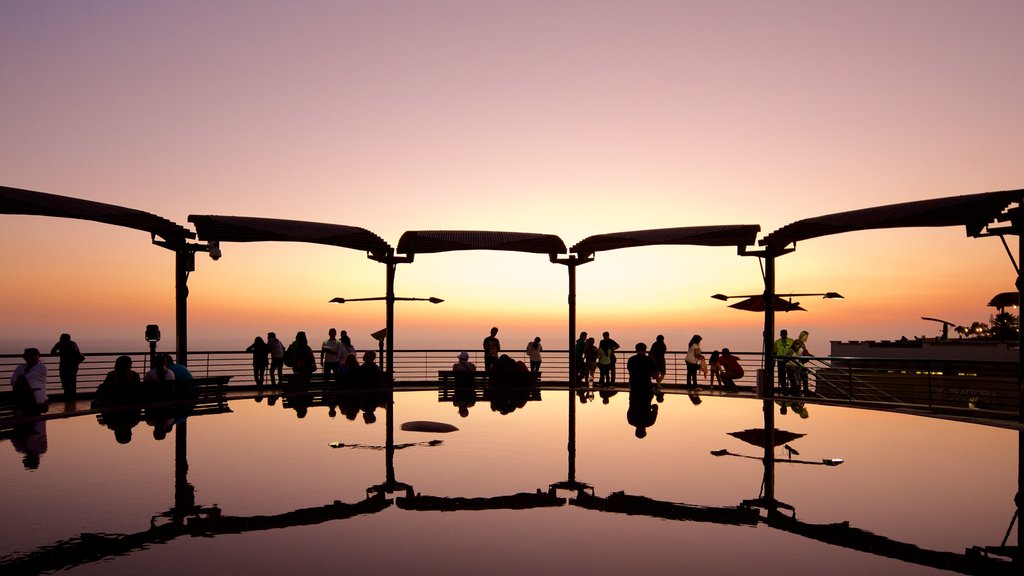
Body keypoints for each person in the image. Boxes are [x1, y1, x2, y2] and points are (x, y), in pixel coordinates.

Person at [10, 348, 48, 416]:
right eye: (30, 356)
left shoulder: (42, 367)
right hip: (23, 397)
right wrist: (22, 380)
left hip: (37, 400)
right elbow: (13, 380)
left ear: (38, 356)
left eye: (35, 356)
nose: (33, 358)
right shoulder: (20, 368)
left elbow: (27, 378)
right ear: (25, 358)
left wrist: (21, 379)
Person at [50, 333, 85, 398]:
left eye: (61, 337)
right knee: (71, 382)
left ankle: (68, 396)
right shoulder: (73, 344)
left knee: (65, 382)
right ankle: (70, 397)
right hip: (73, 366)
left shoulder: (61, 344)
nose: (59, 338)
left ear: (63, 338)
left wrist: (60, 353)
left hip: (65, 366)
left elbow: (52, 352)